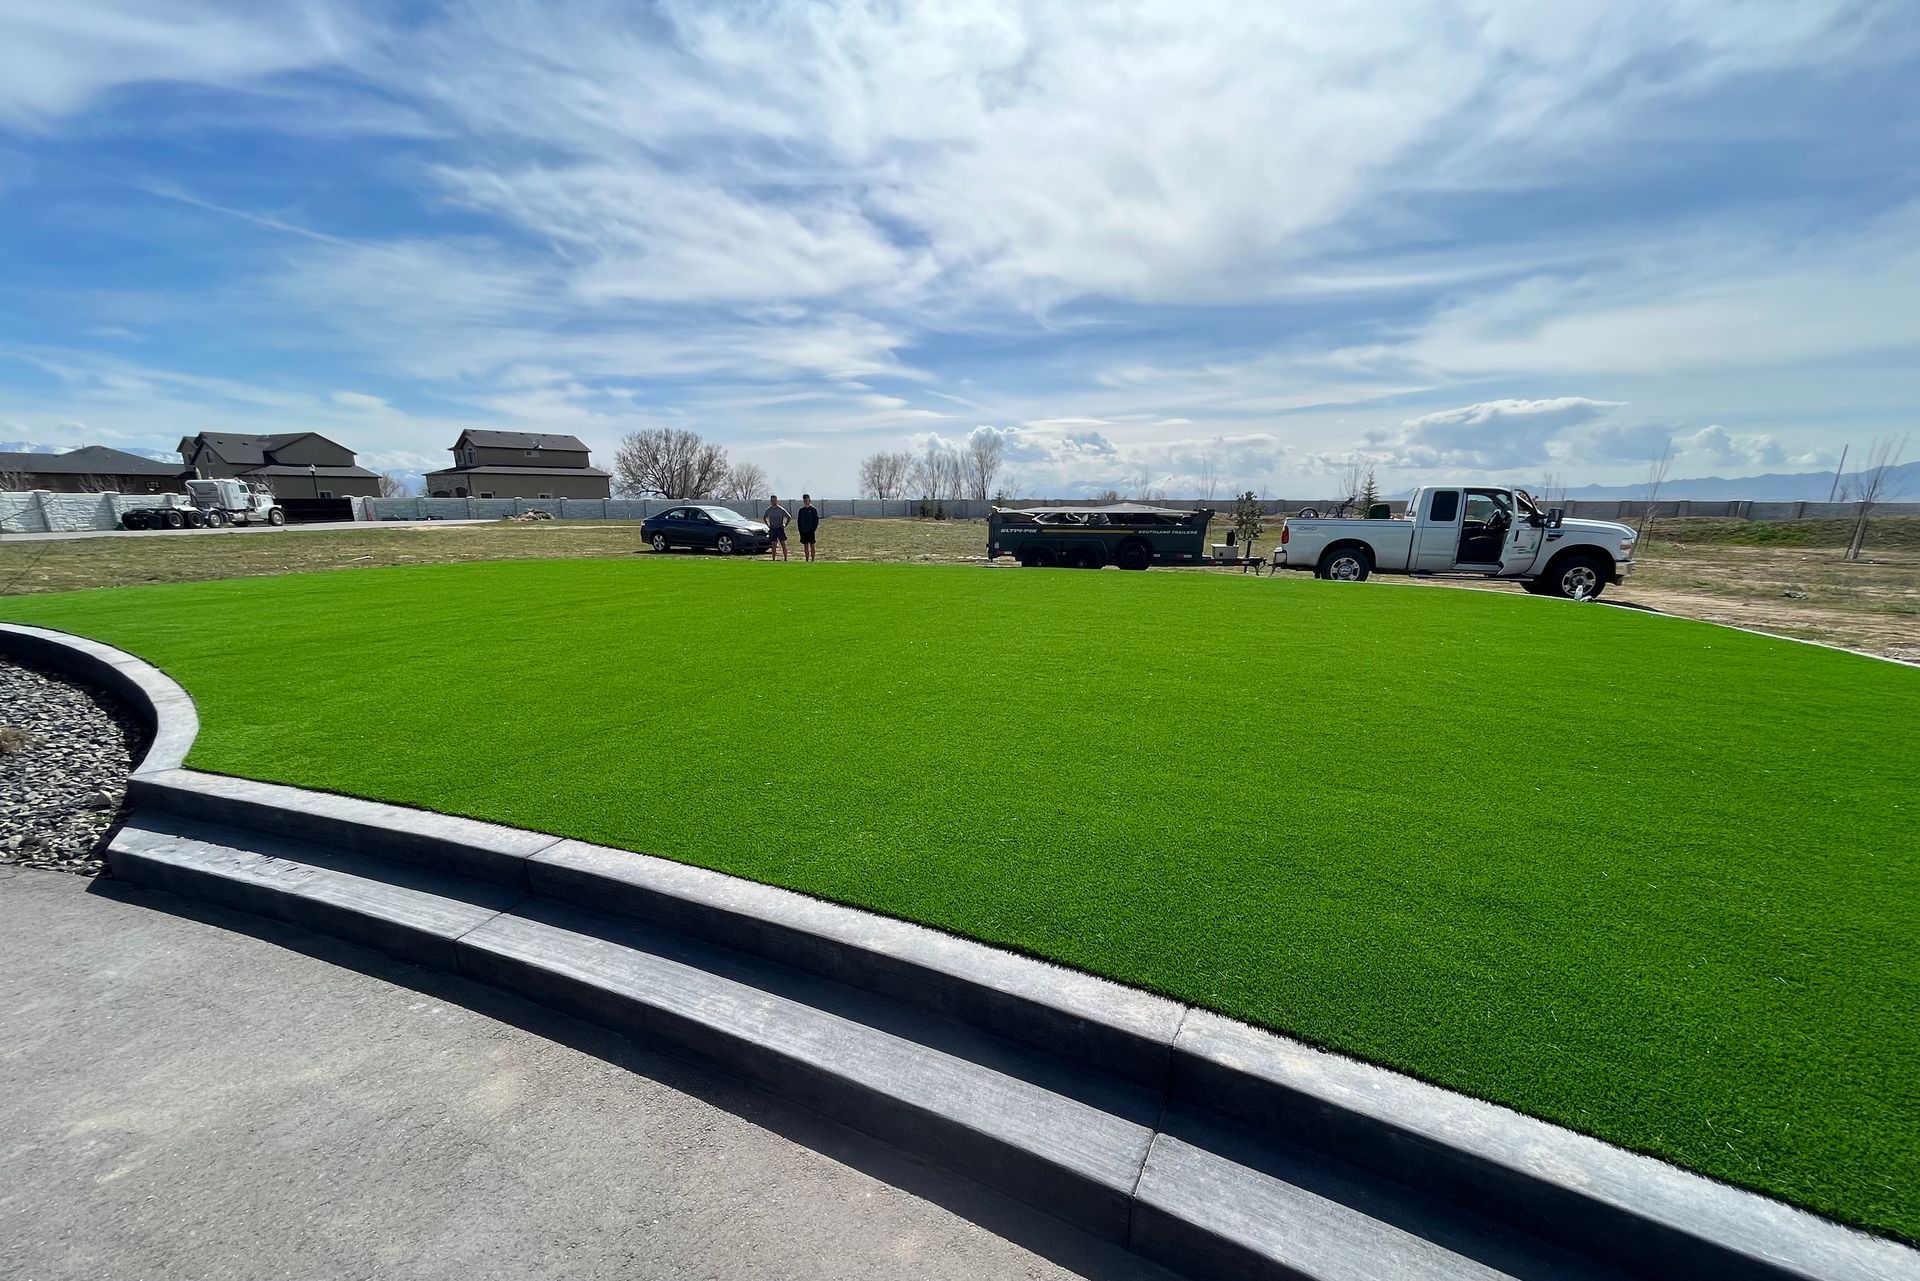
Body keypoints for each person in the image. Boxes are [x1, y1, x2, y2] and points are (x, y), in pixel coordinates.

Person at [763, 494, 791, 561]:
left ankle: (785, 559)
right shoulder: (769, 510)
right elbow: (764, 518)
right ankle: (773, 559)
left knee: (783, 544)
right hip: (772, 529)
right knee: (773, 545)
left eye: (774, 500)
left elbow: (789, 517)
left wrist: (785, 524)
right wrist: (768, 525)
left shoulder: (780, 509)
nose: (773, 502)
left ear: (777, 501)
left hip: (780, 529)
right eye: (772, 500)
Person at [797, 493, 821, 561]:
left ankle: (813, 559)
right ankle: (807, 559)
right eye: (804, 500)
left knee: (812, 545)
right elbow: (799, 521)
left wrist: (813, 529)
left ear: (809, 500)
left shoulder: (813, 510)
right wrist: (800, 530)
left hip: (811, 531)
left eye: (807, 500)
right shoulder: (801, 510)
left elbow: (816, 520)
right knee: (805, 545)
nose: (806, 501)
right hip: (803, 531)